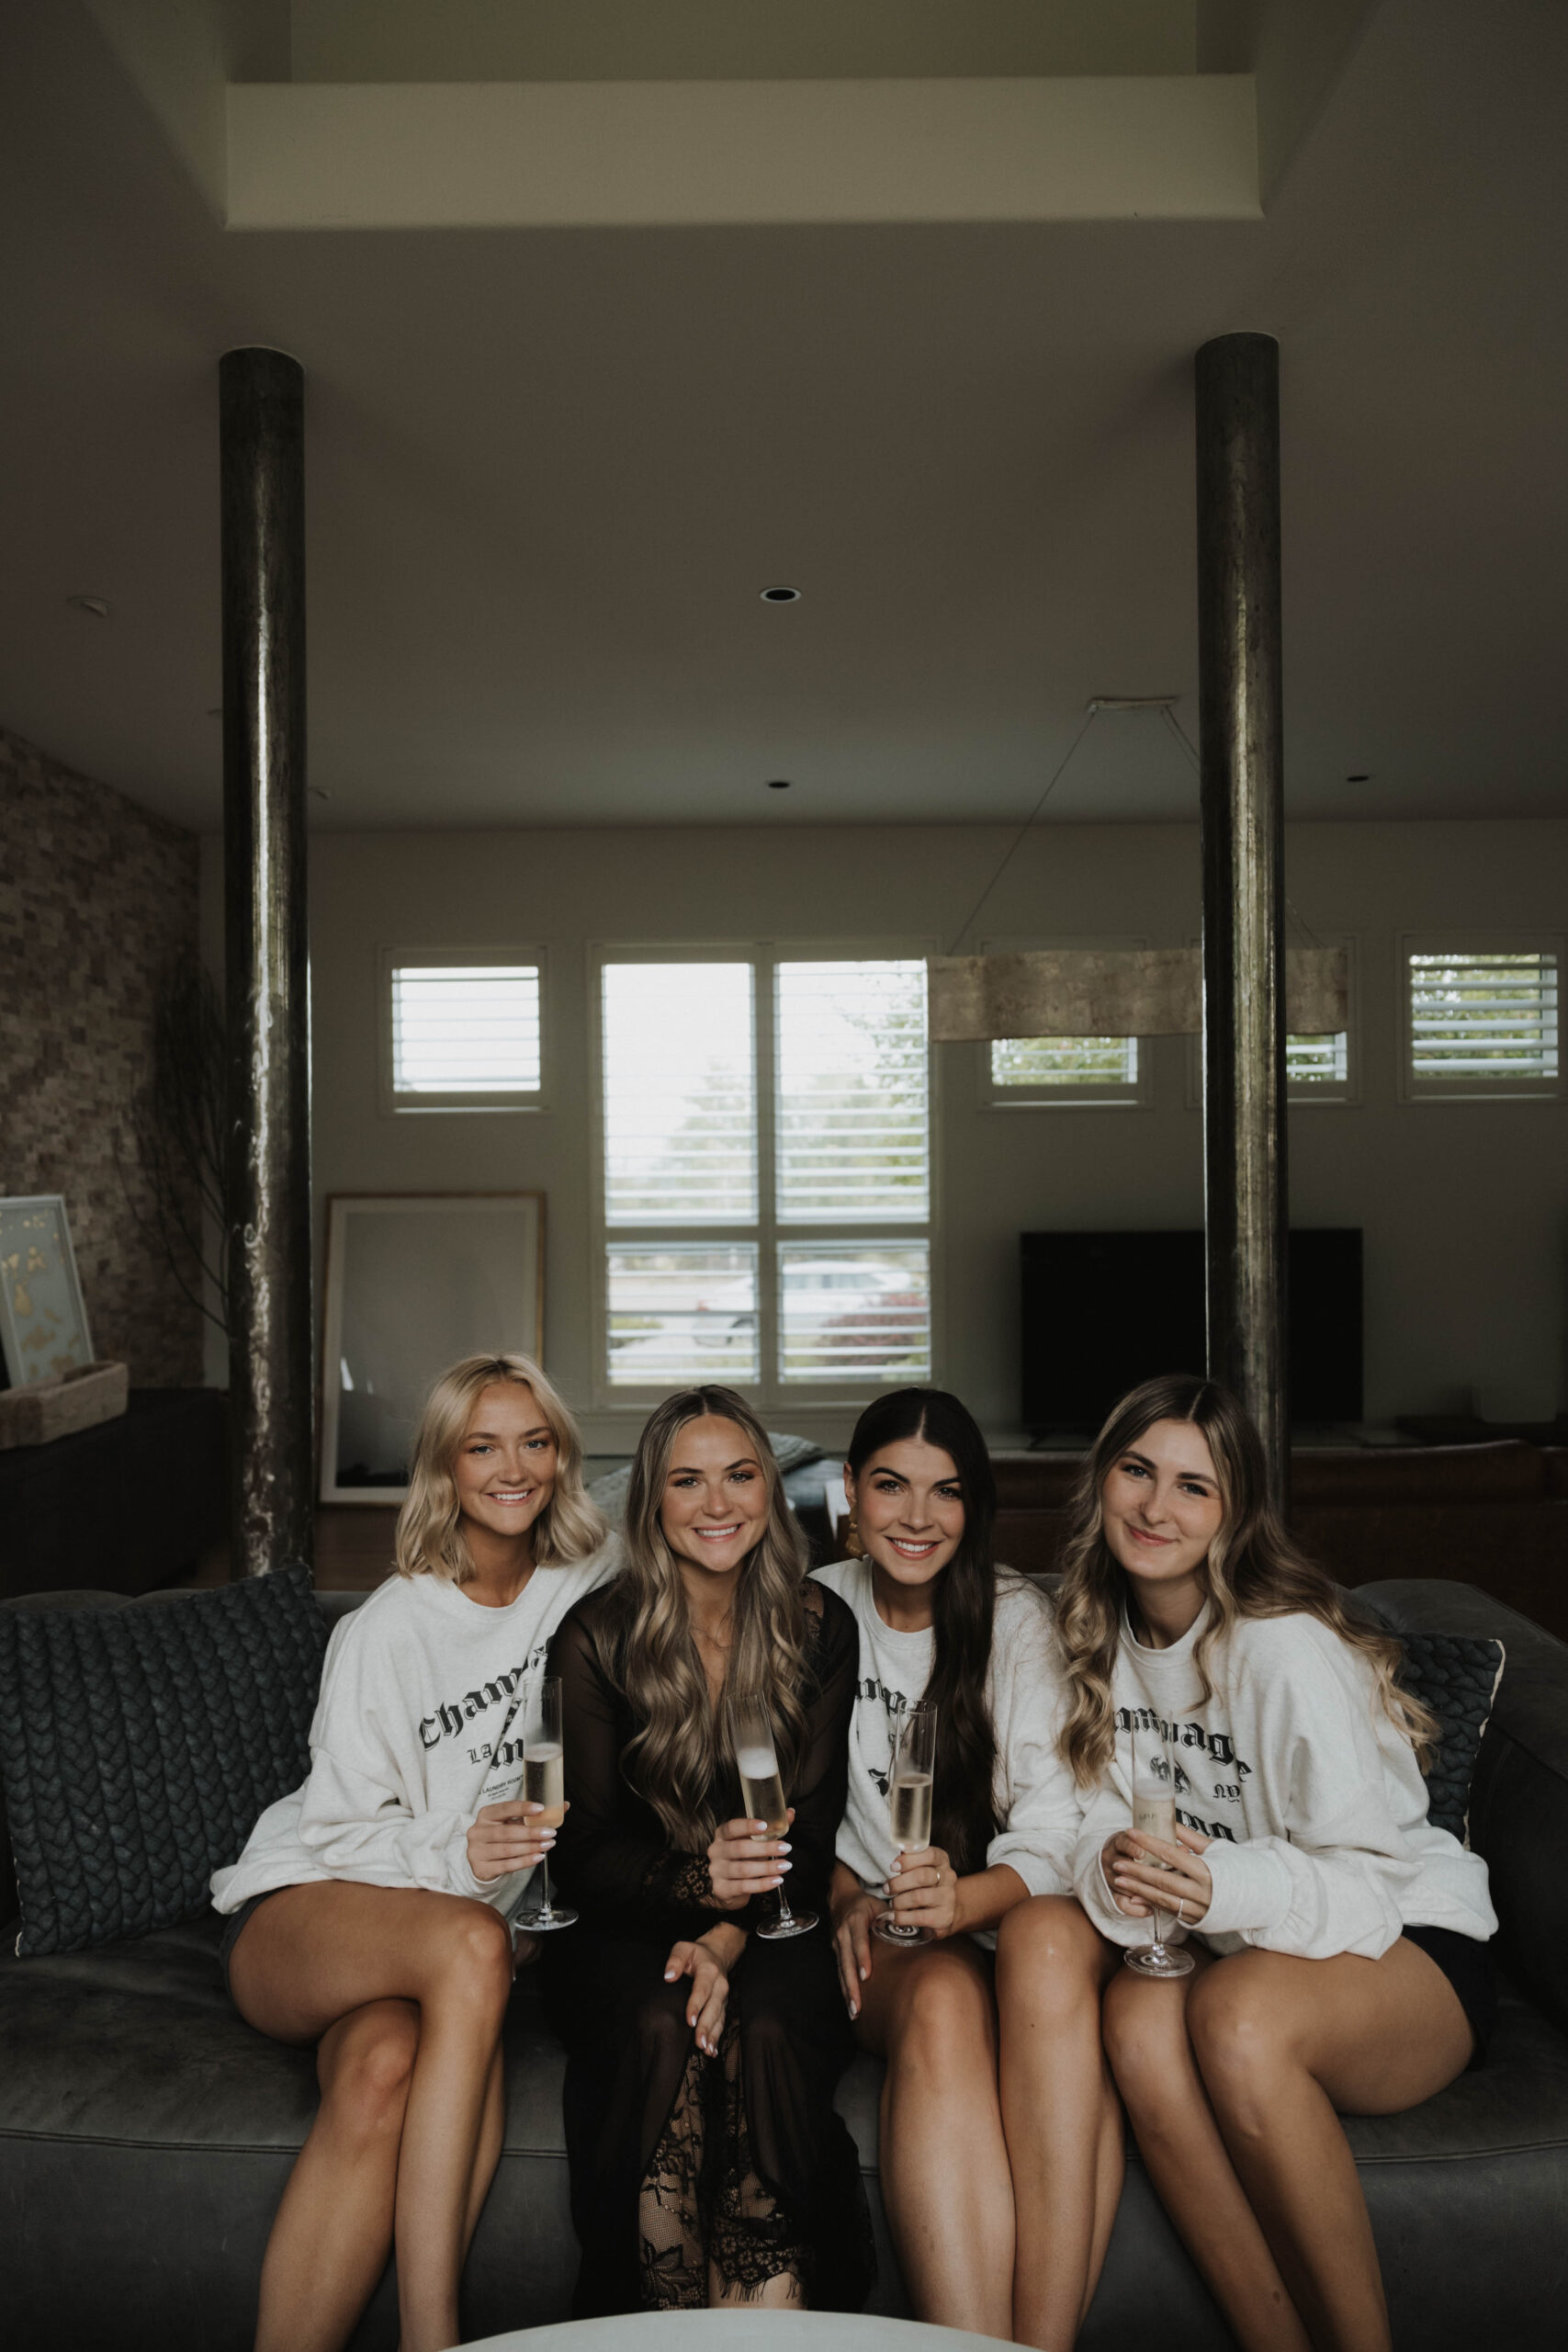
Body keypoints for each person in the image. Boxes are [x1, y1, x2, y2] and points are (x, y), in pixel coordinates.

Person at [1059, 1373, 1496, 2352]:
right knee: (1134, 2012)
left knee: (1236, 2013)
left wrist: (1224, 1883)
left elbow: (1371, 1870)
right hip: (1245, 1938)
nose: (1155, 1506)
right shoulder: (1089, 1639)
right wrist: (1122, 1872)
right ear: (1102, 1480)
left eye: (1192, 1486)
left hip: (1406, 1938)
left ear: (1233, 1513)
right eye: (1136, 1470)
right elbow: (1085, 1831)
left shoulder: (1282, 1646)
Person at [210, 1351, 619, 2352]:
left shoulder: (593, 1587)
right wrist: (461, 1847)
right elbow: (340, 1828)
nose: (513, 1467)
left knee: (383, 2071)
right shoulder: (388, 1626)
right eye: (483, 1446)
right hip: (314, 1903)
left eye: (535, 1441)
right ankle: (433, 2338)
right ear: (445, 1467)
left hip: (446, 1935)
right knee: (473, 1947)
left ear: (562, 1457)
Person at [542, 1384, 872, 2316]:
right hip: (624, 1921)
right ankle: (663, 2315)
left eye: (740, 1475)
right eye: (688, 1481)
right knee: (662, 2024)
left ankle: (766, 2318)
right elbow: (581, 1854)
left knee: (765, 2030)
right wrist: (694, 1881)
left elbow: (809, 1835)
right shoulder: (596, 1635)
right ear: (651, 1501)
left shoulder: (818, 1627)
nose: (718, 1504)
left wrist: (726, 1934)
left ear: (771, 1488)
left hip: (773, 1922)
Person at [818, 1387, 1119, 2349]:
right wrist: (842, 1897)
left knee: (1038, 1938)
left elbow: (1056, 1825)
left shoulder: (1012, 1616)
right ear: (851, 1498)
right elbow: (783, 1804)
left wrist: (964, 1898)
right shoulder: (811, 1609)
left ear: (974, 1504)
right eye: (890, 1486)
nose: (916, 1517)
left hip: (1008, 1909)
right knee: (946, 1998)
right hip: (898, 1938)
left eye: (945, 1492)